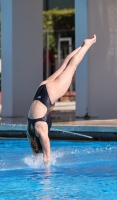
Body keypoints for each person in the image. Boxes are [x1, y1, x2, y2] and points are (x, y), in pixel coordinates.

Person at [26, 35, 97, 166]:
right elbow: (35, 153)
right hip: (41, 90)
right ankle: (82, 46)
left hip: (49, 94)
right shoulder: (29, 133)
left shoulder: (40, 129)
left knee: (72, 67)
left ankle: (86, 45)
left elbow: (47, 155)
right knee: (65, 65)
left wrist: (46, 171)